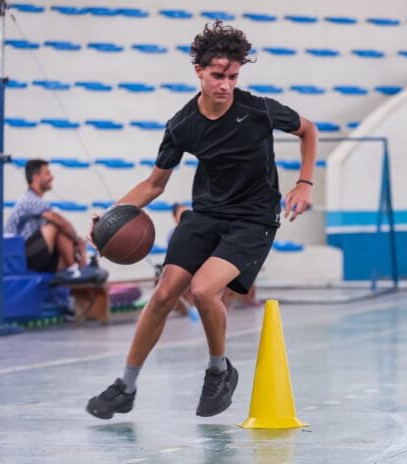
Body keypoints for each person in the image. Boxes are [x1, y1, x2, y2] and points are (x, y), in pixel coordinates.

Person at [86, 20, 317, 420]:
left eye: (232, 76)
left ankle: (218, 370)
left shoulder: (257, 109)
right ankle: (125, 385)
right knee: (162, 295)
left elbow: (308, 130)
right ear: (198, 71)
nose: (225, 84)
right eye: (217, 76)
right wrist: (109, 218)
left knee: (205, 289)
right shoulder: (182, 126)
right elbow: (154, 184)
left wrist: (305, 183)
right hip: (207, 213)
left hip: (253, 218)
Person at [4, 159, 87, 273]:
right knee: (55, 226)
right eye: (47, 173)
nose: (52, 177)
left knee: (66, 245)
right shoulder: (30, 200)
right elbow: (59, 220)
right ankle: (73, 269)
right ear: (36, 177)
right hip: (18, 257)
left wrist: (78, 247)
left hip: (31, 253)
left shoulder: (36, 201)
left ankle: (76, 270)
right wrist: (76, 240)